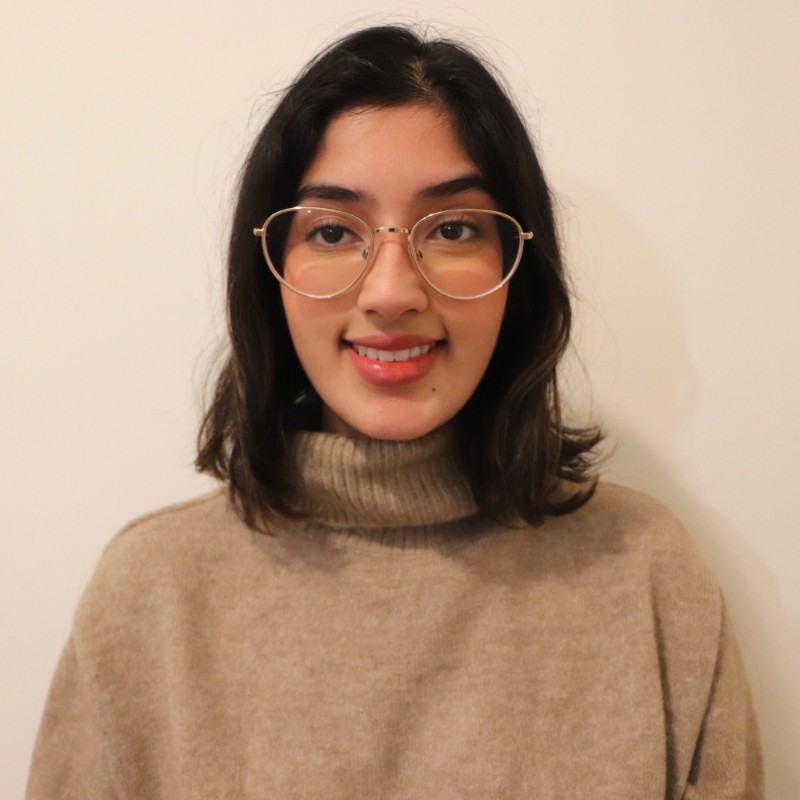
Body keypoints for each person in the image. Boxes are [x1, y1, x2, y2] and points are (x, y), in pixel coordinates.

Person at [27, 24, 763, 799]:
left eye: (451, 229)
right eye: (334, 231)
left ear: (518, 271)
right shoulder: (153, 596)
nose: (391, 292)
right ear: (270, 274)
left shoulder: (645, 576)